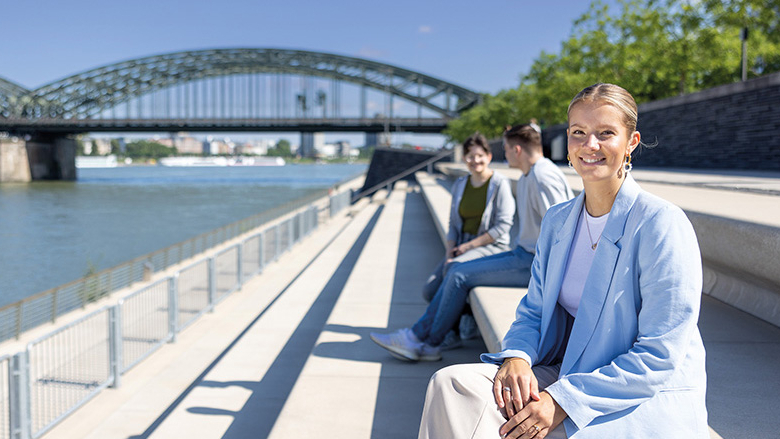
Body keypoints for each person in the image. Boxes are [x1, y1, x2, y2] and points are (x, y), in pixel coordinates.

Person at [417, 83, 708, 438]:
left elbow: (660, 354)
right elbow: (533, 311)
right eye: (578, 133)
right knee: (450, 385)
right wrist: (518, 357)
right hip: (569, 368)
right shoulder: (558, 221)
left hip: (630, 391)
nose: (590, 146)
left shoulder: (661, 223)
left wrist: (563, 400)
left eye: (605, 133)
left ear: (631, 142)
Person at [370, 124, 572, 361]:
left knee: (459, 275)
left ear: (517, 149)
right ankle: (422, 337)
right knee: (455, 269)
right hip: (524, 254)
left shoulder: (542, 176)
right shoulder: (530, 174)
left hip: (535, 264)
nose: (504, 153)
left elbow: (563, 231)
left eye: (505, 148)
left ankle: (425, 341)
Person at [419, 132, 516, 305]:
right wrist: (450, 251)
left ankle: (433, 330)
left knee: (453, 268)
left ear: (489, 156)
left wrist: (468, 246)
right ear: (464, 158)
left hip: (490, 246)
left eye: (480, 156)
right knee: (429, 291)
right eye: (470, 156)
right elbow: (453, 223)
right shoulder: (460, 184)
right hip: (462, 245)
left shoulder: (500, 183)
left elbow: (503, 226)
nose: (475, 160)